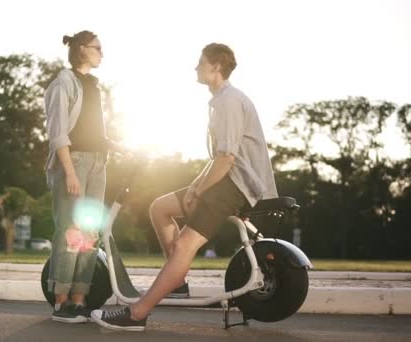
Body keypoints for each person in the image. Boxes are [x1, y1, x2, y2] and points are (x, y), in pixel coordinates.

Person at [91, 43, 278, 332]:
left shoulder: (229, 101)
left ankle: (137, 314)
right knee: (160, 208)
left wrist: (201, 190)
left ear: (216, 66)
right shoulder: (220, 100)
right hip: (227, 178)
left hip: (239, 185)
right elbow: (221, 157)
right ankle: (176, 281)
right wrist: (196, 185)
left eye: (201, 62)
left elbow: (227, 158)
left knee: (184, 245)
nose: (196, 67)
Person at [44, 30, 116, 324]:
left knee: (90, 232)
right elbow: (58, 133)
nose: (102, 53)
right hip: (74, 162)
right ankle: (61, 303)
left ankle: (80, 299)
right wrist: (70, 172)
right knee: (71, 230)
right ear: (82, 49)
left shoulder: (94, 85)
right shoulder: (63, 83)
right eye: (98, 48)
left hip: (98, 162)